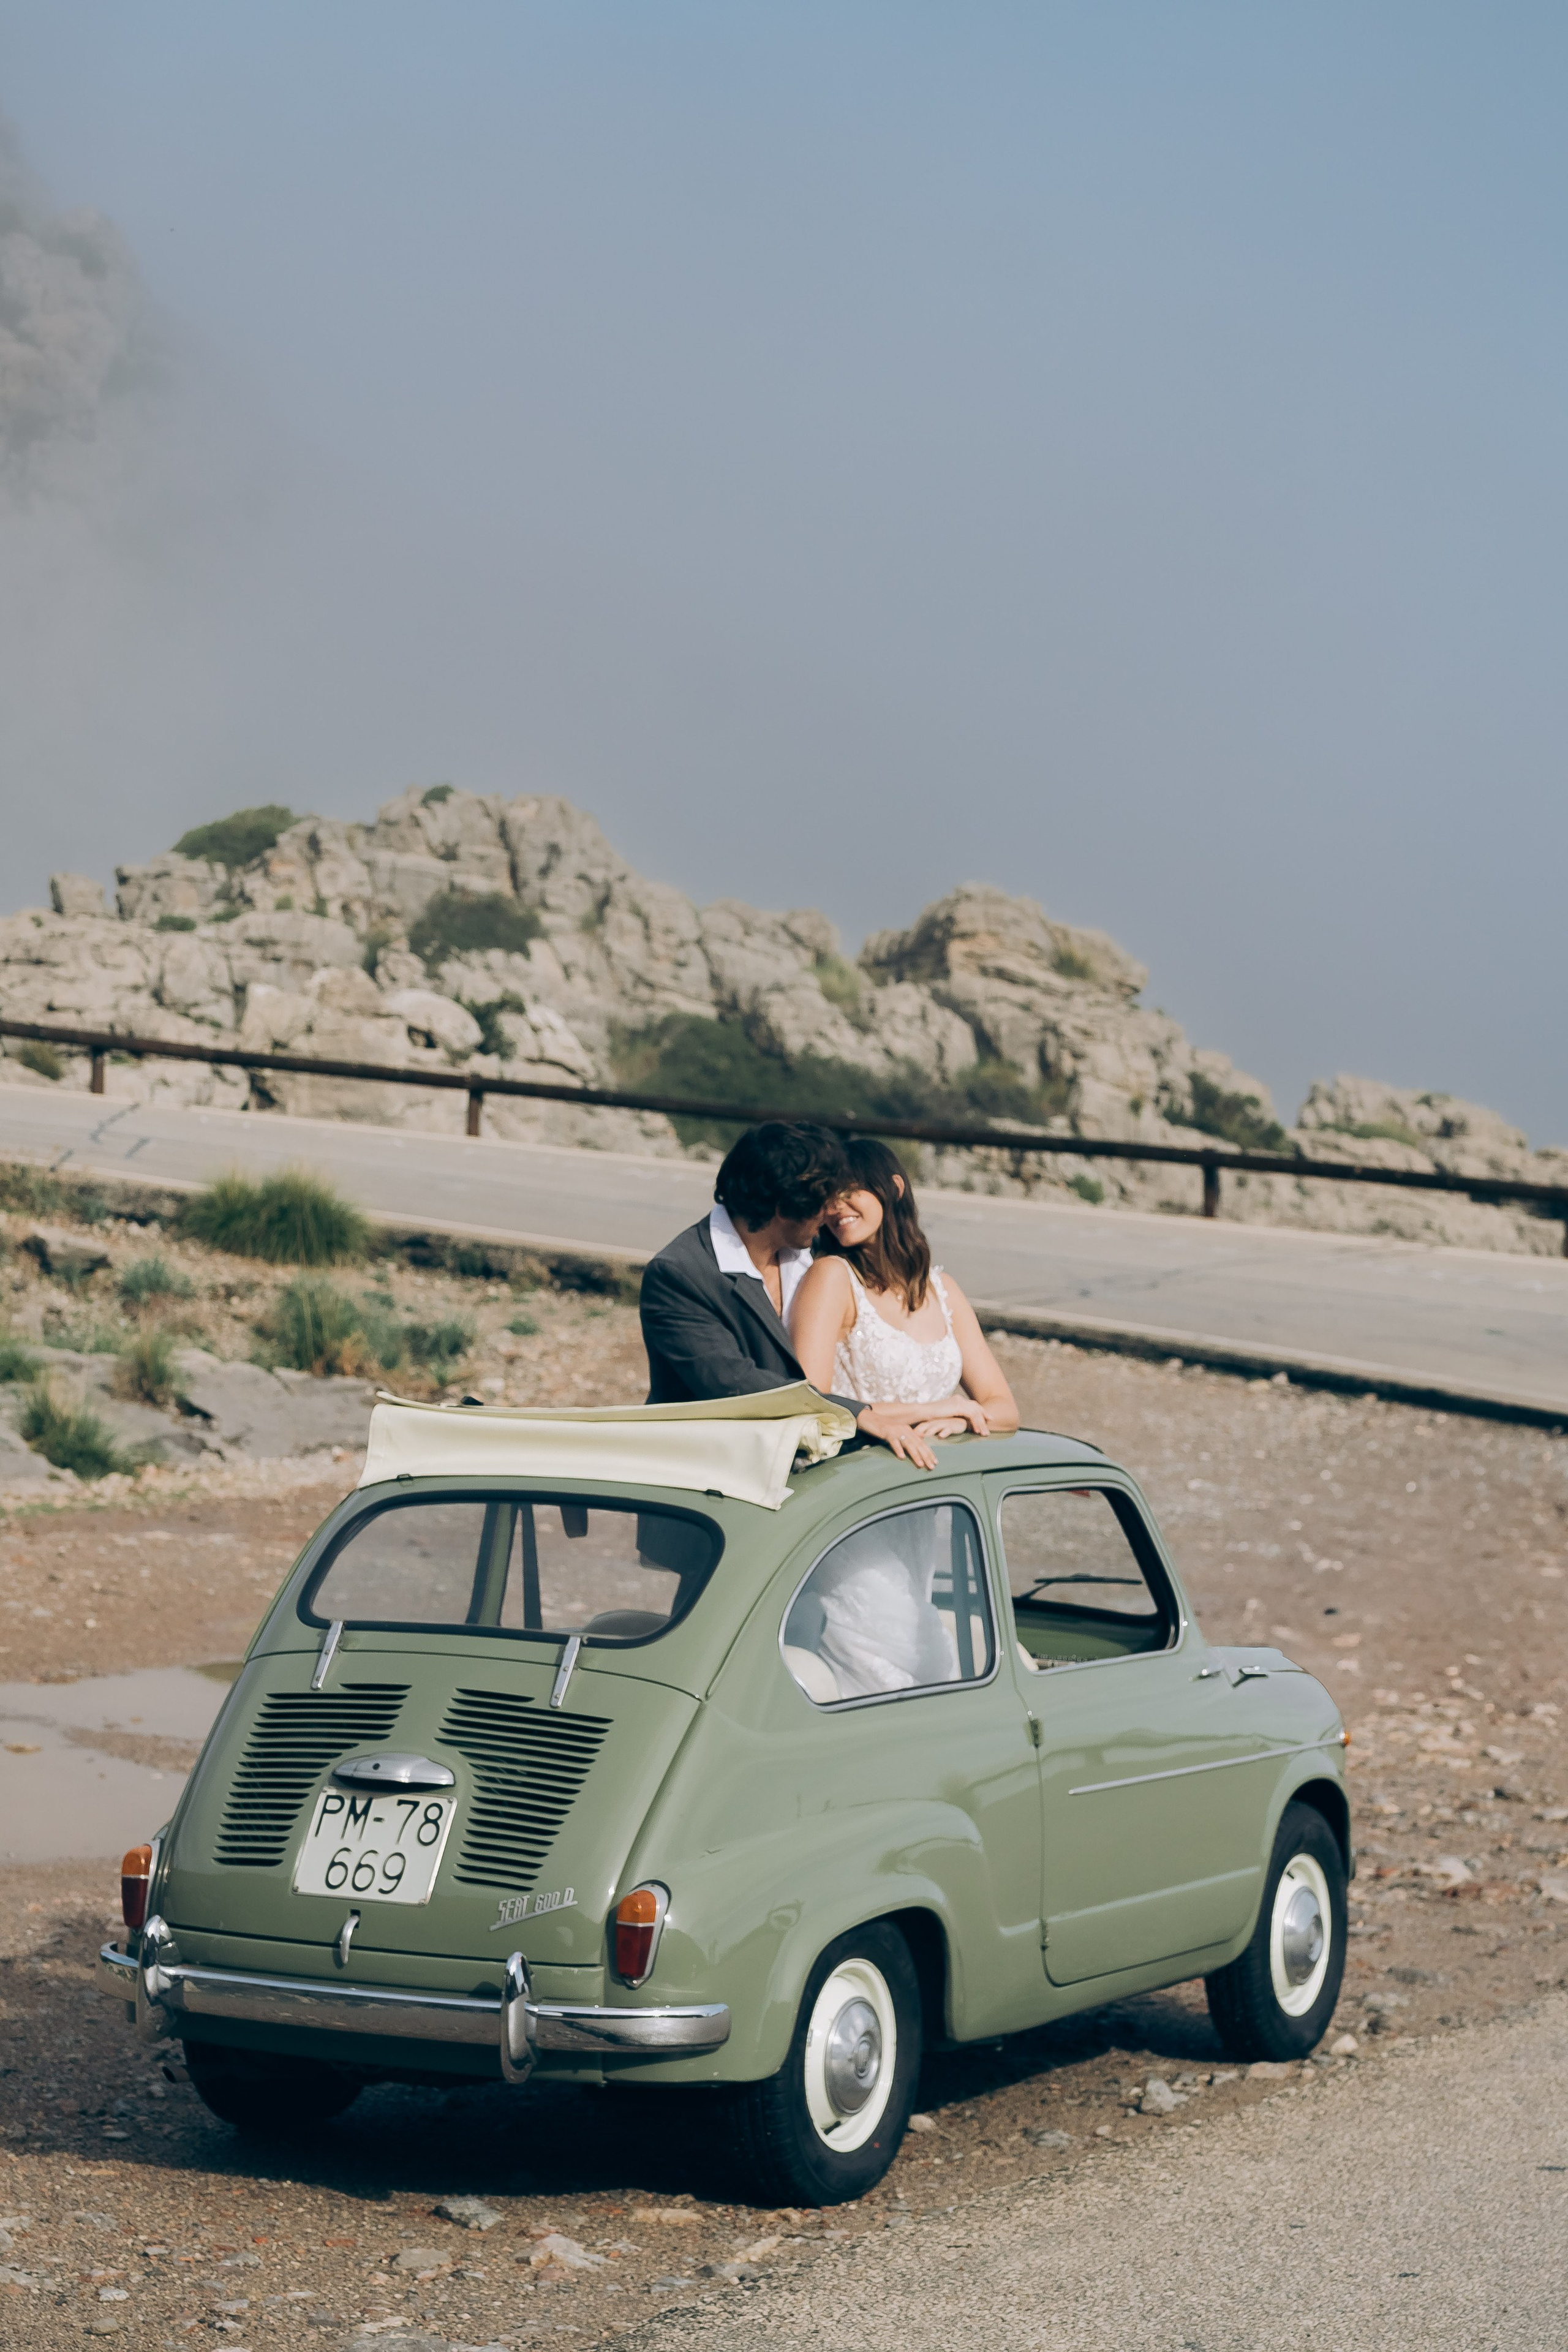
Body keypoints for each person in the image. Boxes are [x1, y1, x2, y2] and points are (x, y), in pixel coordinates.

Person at [638, 1121, 957, 1467]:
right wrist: (858, 1413)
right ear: (785, 1208)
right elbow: (733, 1384)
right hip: (711, 1483)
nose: (831, 1212)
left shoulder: (815, 1247)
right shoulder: (680, 1274)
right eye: (823, 1201)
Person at [788, 1136, 1019, 1442]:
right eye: (827, 1197)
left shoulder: (942, 1289)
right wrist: (935, 1410)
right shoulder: (831, 1276)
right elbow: (812, 1405)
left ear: (894, 1189)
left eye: (848, 1191)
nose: (835, 1207)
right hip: (857, 1467)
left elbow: (1005, 1410)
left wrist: (962, 1420)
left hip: (932, 1473)